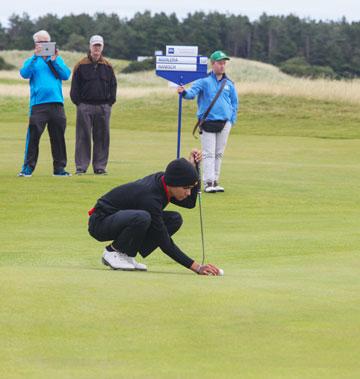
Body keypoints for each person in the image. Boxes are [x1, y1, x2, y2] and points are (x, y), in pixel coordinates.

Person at [88, 149, 222, 275]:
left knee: (174, 219)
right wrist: (197, 267)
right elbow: (164, 242)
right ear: (174, 183)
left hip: (122, 218)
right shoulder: (151, 197)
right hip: (100, 222)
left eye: (191, 188)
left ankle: (127, 254)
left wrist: (193, 167)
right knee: (143, 217)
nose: (188, 192)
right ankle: (112, 251)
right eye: (186, 187)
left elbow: (190, 203)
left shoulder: (166, 183)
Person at [177, 50, 238, 193]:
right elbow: (191, 94)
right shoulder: (203, 80)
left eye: (224, 63)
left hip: (225, 123)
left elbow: (234, 103)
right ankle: (208, 182)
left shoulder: (229, 83)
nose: (222, 66)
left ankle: (215, 181)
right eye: (219, 63)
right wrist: (183, 92)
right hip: (208, 121)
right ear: (213, 64)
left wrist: (231, 119)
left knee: (219, 153)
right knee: (208, 153)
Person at [18, 30, 71, 177]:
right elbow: (24, 73)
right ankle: (27, 168)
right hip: (38, 104)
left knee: (58, 137)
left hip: (57, 104)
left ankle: (59, 169)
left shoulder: (56, 59)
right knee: (34, 136)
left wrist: (54, 60)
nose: (44, 44)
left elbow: (66, 75)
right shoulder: (32, 61)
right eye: (41, 42)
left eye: (47, 41)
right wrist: (35, 56)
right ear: (36, 44)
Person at [70, 35, 117, 175]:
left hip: (103, 106)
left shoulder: (108, 66)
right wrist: (79, 103)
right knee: (82, 137)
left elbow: (113, 86)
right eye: (94, 46)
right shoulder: (81, 65)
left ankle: (100, 167)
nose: (97, 48)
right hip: (85, 106)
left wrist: (110, 103)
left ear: (102, 47)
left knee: (102, 138)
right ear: (90, 47)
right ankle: (81, 167)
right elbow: (75, 87)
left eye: (99, 46)